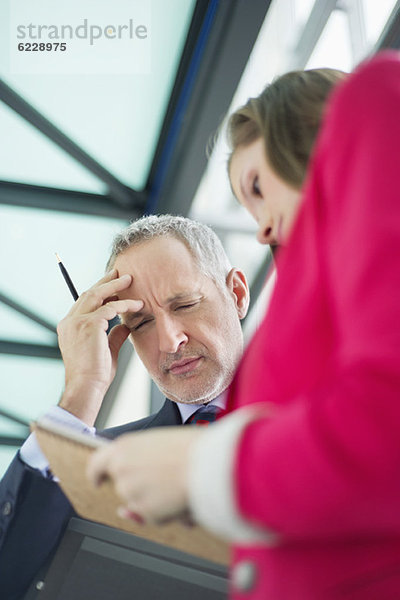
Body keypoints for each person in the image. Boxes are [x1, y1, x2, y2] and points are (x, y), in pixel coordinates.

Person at [87, 52, 400, 599]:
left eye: (257, 187)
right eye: (140, 322)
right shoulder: (318, 304)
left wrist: (206, 468)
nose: (261, 231)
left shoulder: (374, 98)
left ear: (313, 137)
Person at [0, 215, 250, 600]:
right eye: (141, 322)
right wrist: (81, 393)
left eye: (184, 304)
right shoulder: (95, 471)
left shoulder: (336, 419)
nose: (170, 341)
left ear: (236, 293)